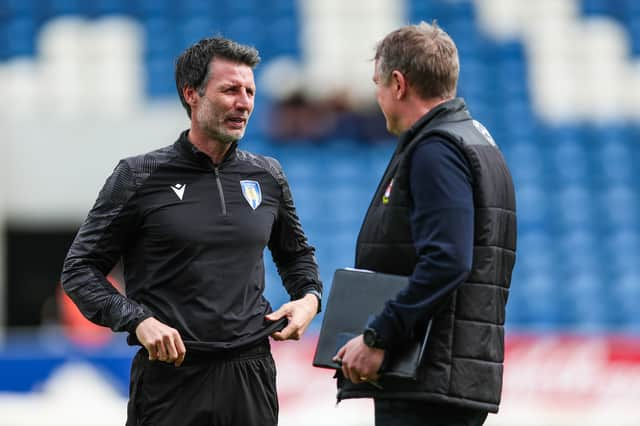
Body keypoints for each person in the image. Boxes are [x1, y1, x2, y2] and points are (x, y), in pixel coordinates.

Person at [61, 36, 322, 426]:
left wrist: (310, 298)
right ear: (192, 94)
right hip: (171, 377)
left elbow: (296, 255)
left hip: (249, 374)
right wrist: (137, 319)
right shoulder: (138, 176)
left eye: (250, 90)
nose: (244, 102)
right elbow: (79, 270)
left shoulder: (267, 175)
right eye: (230, 90)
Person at [333, 22, 517, 426]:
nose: (377, 96)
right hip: (447, 374)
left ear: (398, 84)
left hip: (429, 378)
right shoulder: (475, 141)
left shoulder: (437, 151)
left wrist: (378, 335)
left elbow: (448, 260)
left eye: (378, 84)